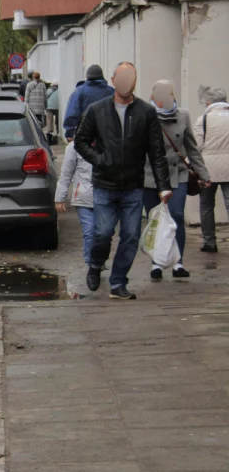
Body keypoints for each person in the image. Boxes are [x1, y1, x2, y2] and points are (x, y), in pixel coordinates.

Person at [73, 62, 171, 300]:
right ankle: (96, 264)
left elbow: (156, 152)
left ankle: (118, 282)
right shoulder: (97, 110)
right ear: (113, 81)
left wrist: (163, 186)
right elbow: (80, 141)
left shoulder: (146, 112)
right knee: (103, 232)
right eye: (122, 77)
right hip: (105, 184)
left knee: (131, 236)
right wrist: (100, 159)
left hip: (133, 186)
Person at [141, 80, 210, 279]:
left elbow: (191, 147)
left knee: (176, 216)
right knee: (155, 219)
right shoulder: (145, 115)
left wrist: (203, 174)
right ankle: (157, 263)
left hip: (177, 173)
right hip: (150, 175)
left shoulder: (183, 115)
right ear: (153, 97)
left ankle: (178, 262)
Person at [55, 139, 96, 271]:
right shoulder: (74, 147)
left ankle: (99, 260)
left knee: (103, 233)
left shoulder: (108, 140)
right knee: (89, 231)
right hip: (83, 197)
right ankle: (92, 266)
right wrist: (59, 198)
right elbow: (66, 174)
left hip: (105, 197)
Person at [196, 88, 229, 252]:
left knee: (207, 205)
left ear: (209, 103)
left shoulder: (203, 120)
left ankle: (209, 242)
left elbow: (197, 146)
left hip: (207, 169)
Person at [64, 64, 115, 140]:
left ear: (87, 76)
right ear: (101, 76)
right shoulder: (111, 91)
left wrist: (69, 133)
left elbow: (72, 113)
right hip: (108, 135)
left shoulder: (80, 91)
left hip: (86, 135)